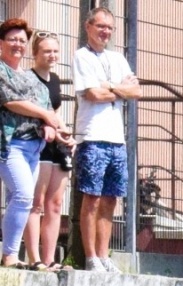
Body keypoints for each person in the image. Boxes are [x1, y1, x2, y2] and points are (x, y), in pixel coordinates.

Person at [72, 5, 137, 272]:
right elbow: (91, 95)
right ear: (89, 27)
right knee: (92, 197)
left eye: (109, 28)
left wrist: (109, 86)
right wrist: (119, 90)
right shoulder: (81, 56)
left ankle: (104, 254)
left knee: (111, 197)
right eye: (100, 26)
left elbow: (136, 91)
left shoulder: (118, 59)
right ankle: (90, 257)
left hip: (116, 139)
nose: (105, 32)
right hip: (92, 135)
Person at [0, 19, 67, 269]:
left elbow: (48, 109)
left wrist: (53, 127)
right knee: (23, 195)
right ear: (1, 43)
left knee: (24, 200)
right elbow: (11, 101)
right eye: (12, 39)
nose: (17, 44)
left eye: (21, 40)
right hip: (9, 145)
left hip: (34, 148)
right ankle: (9, 255)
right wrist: (47, 116)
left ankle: (12, 256)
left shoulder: (31, 80)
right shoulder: (1, 70)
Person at [24, 30, 69, 269]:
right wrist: (46, 126)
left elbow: (55, 111)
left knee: (55, 204)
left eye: (55, 51)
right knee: (36, 202)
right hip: (36, 142)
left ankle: (51, 260)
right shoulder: (28, 78)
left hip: (56, 145)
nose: (52, 55)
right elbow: (29, 111)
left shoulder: (55, 79)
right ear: (35, 54)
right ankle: (35, 259)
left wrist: (64, 131)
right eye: (46, 51)